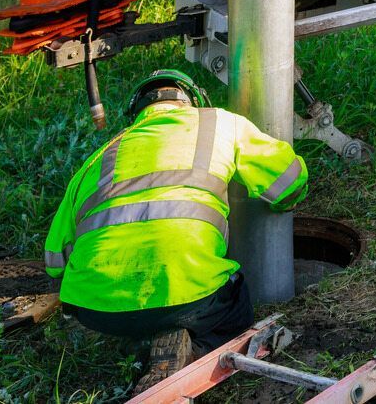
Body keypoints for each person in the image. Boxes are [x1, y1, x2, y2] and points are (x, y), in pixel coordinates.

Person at [44, 69, 308, 392]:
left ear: (136, 115)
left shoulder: (95, 160)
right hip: (190, 296)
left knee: (139, 314)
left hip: (97, 310)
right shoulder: (219, 124)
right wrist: (292, 198)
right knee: (235, 303)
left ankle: (143, 342)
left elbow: (54, 261)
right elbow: (289, 181)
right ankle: (194, 351)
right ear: (192, 101)